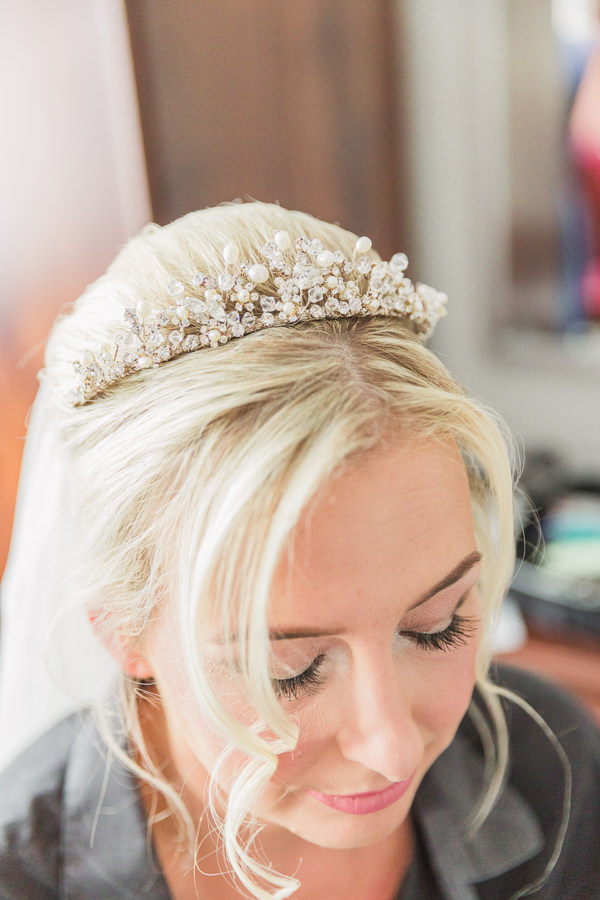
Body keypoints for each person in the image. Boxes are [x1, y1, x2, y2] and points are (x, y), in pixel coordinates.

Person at [0, 202, 599, 900]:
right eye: (287, 671)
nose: (393, 749)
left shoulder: (550, 766)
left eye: (437, 626)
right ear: (122, 631)